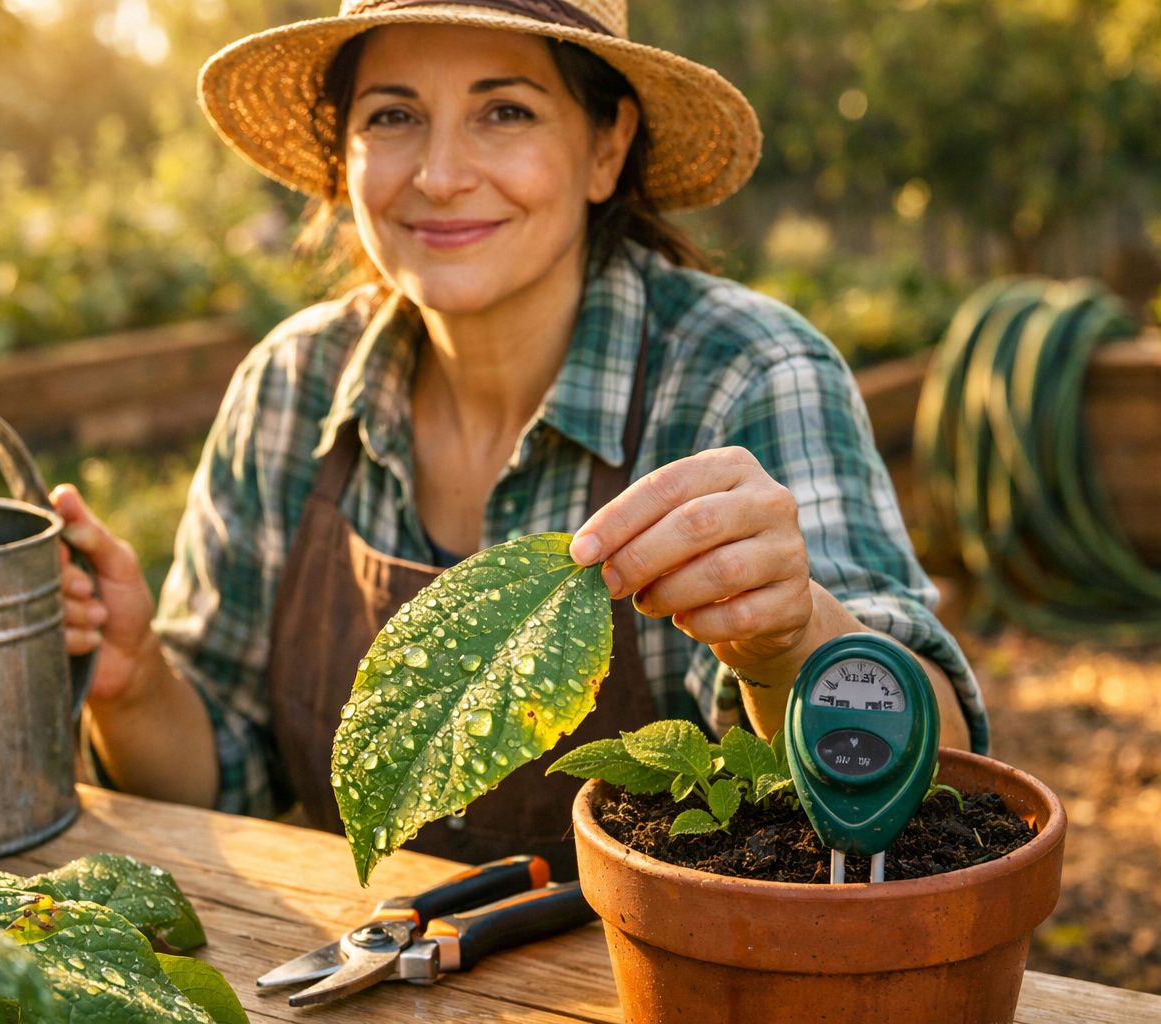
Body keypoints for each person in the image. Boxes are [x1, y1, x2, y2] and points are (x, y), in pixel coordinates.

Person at [51, 0, 989, 873]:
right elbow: (223, 783)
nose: (441, 174)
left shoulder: (746, 375)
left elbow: (947, 792)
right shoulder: (292, 389)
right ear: (343, 151)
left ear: (606, 147)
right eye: (391, 116)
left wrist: (796, 639)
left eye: (504, 112)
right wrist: (133, 686)